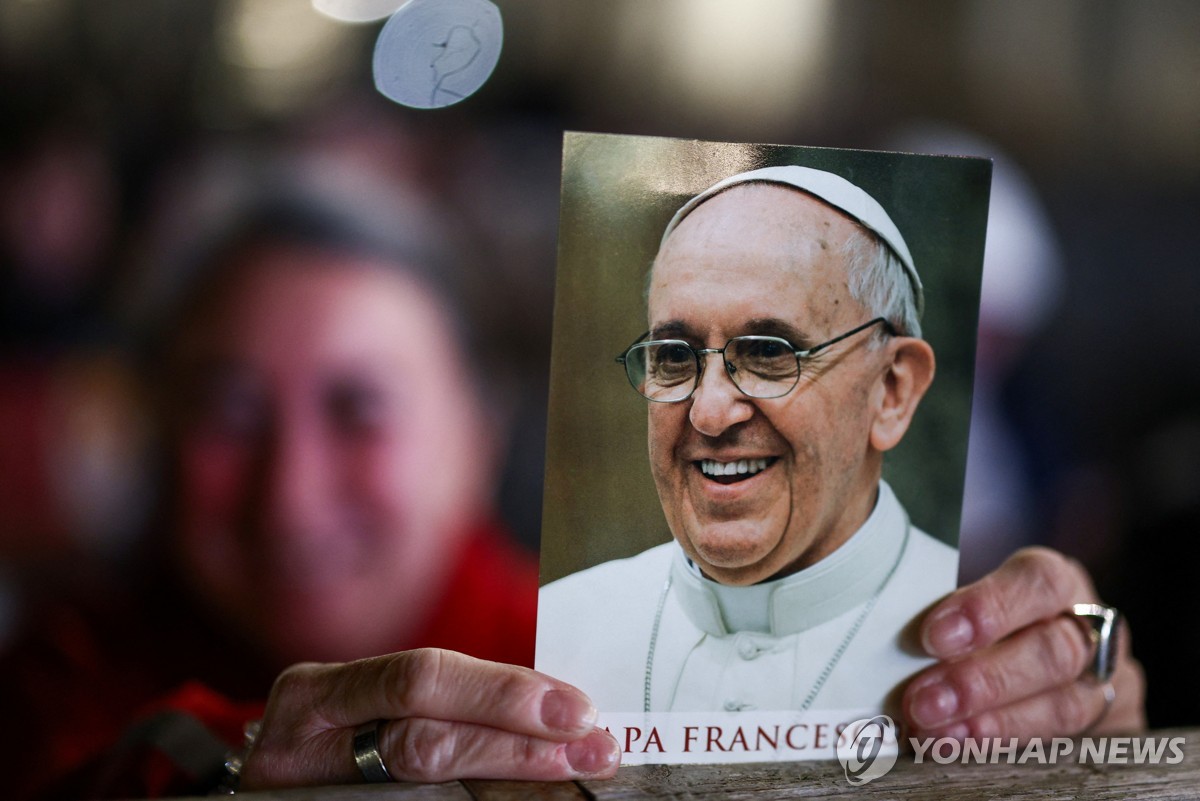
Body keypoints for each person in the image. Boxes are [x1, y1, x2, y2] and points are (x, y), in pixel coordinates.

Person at [0, 162, 618, 799]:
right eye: (231, 414)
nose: (289, 499)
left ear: (481, 435)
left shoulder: (612, 682)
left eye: (360, 412)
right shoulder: (68, 677)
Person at [535, 164, 1140, 738]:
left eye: (770, 352)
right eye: (673, 357)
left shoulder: (966, 649)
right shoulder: (561, 629)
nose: (709, 414)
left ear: (893, 390)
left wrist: (1096, 747)